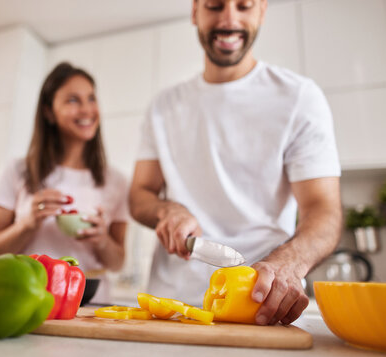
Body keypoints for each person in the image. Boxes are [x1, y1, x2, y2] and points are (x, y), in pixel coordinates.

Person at [129, 0, 342, 326]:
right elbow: (139, 194)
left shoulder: (299, 98)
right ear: (194, 11)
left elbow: (324, 210)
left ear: (262, 12)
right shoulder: (164, 107)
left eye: (244, 6)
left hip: (257, 306)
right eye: (215, 6)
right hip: (168, 308)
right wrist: (166, 210)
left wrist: (288, 264)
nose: (229, 20)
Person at [0, 62, 128, 303]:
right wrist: (27, 224)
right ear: (48, 112)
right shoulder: (17, 171)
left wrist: (102, 239)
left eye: (91, 98)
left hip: (91, 305)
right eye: (72, 100)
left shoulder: (117, 181)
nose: (87, 109)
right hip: (26, 299)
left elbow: (118, 262)